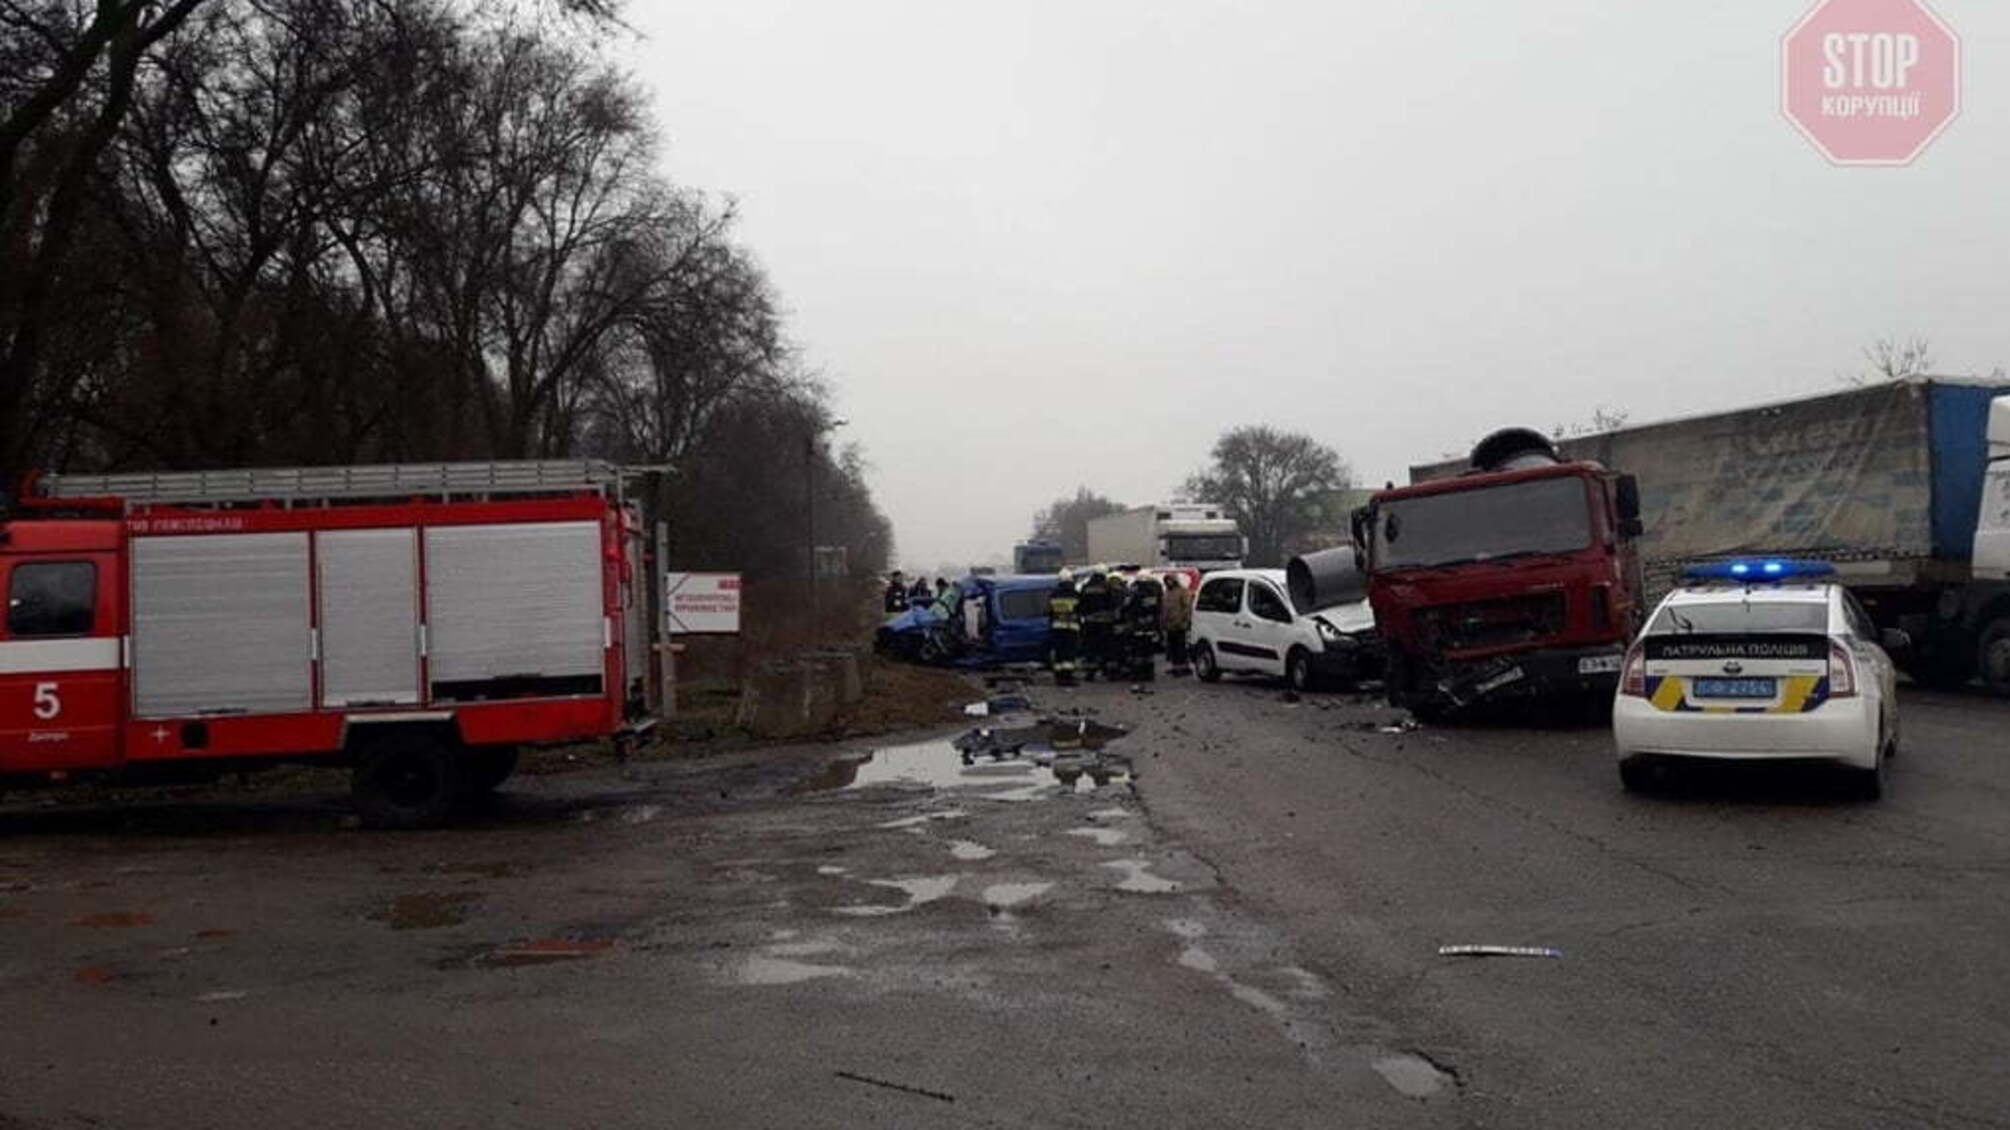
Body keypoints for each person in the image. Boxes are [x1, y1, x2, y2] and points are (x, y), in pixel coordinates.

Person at [1074, 569, 1115, 681]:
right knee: (1106, 649)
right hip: (1105, 624)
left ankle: (1090, 673)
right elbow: (1112, 603)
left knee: (1090, 649)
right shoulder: (1107, 587)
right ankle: (1108, 672)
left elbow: (1080, 604)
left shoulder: (1086, 587)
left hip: (1089, 624)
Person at [1125, 573, 1164, 681]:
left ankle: (1137, 674)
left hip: (1137, 628)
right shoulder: (1153, 595)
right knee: (1148, 653)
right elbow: (1157, 611)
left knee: (1137, 652)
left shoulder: (1134, 594)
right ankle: (1149, 674)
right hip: (1150, 628)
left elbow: (1128, 609)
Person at [1047, 570, 1080, 686]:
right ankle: (1068, 677)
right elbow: (1080, 610)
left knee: (1059, 652)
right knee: (1069, 653)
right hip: (1071, 628)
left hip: (1057, 627)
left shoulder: (1053, 594)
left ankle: (1059, 677)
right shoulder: (1075, 594)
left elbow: (1048, 612)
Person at [1162, 573, 1194, 675]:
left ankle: (1183, 667)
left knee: (1180, 646)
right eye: (1167, 581)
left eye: (1170, 580)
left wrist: (1182, 620)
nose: (1168, 583)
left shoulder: (1182, 591)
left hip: (1180, 623)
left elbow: (1187, 607)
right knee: (1172, 647)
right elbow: (1164, 608)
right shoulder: (1167, 592)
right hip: (1169, 624)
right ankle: (1174, 666)